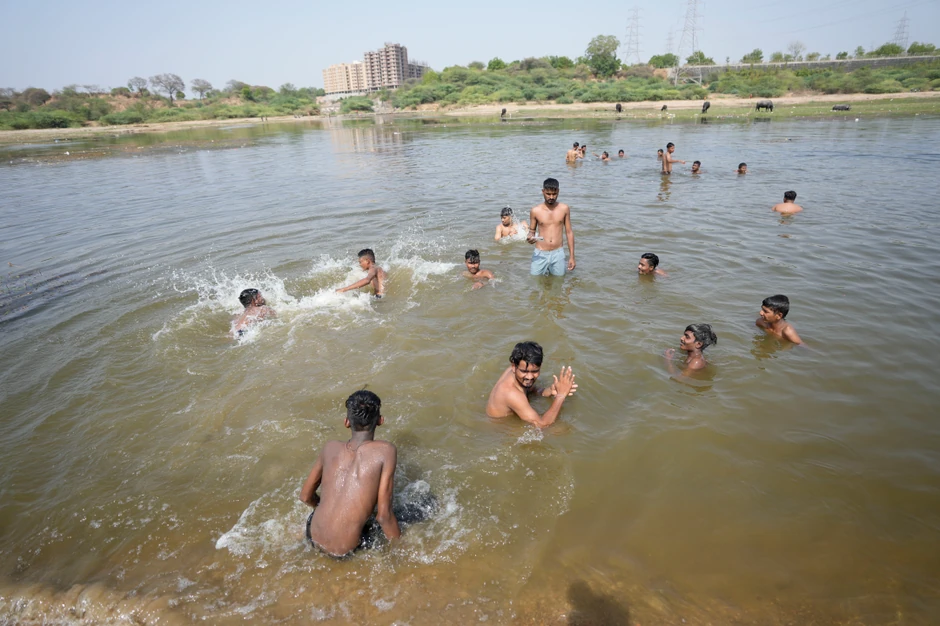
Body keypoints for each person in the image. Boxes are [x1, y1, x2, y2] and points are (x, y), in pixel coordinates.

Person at [300, 390, 400, 557]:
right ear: (380, 421)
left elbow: (305, 497)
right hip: (346, 550)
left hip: (312, 537)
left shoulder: (329, 447)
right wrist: (401, 552)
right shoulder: (386, 451)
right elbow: (384, 516)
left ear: (347, 422)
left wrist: (329, 508)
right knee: (419, 508)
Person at [485, 341, 577, 427]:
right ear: (513, 366)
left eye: (535, 371)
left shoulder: (515, 373)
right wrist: (561, 396)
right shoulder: (511, 393)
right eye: (524, 371)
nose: (529, 377)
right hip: (500, 427)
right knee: (559, 430)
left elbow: (531, 389)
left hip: (505, 415)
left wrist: (550, 390)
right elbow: (541, 425)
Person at [527, 177, 576, 276]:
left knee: (558, 284)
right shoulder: (535, 210)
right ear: (543, 192)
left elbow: (569, 232)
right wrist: (530, 238)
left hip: (558, 253)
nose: (551, 197)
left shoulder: (564, 209)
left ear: (558, 191)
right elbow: (531, 231)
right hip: (540, 253)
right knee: (535, 282)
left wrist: (572, 256)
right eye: (548, 194)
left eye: (554, 194)